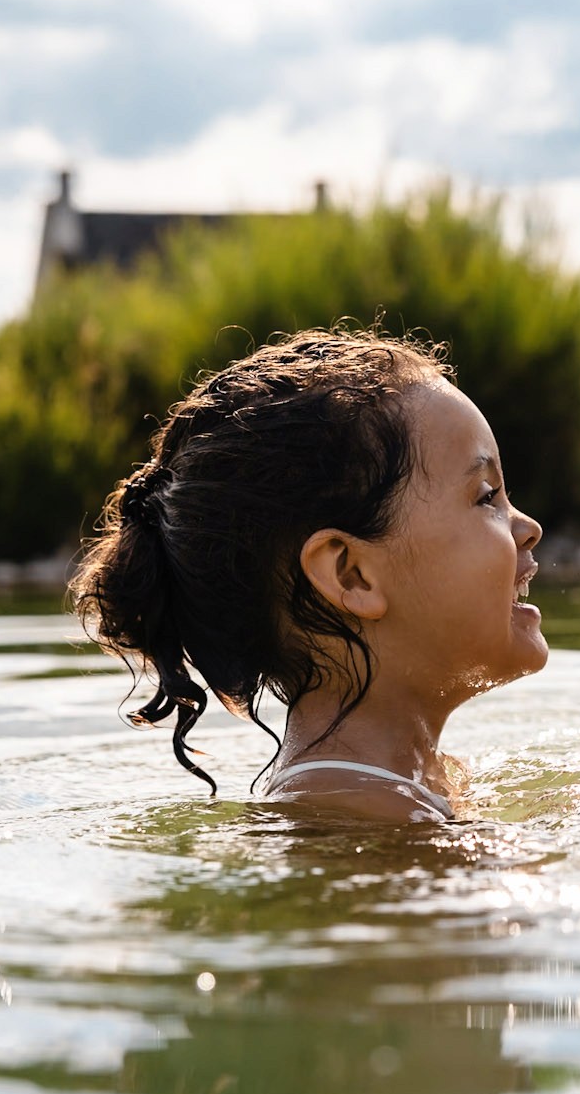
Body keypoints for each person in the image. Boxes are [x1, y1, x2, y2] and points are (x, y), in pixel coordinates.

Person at [72, 328, 546, 823]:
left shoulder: (394, 790)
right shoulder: (366, 822)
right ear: (351, 574)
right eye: (487, 496)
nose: (528, 529)